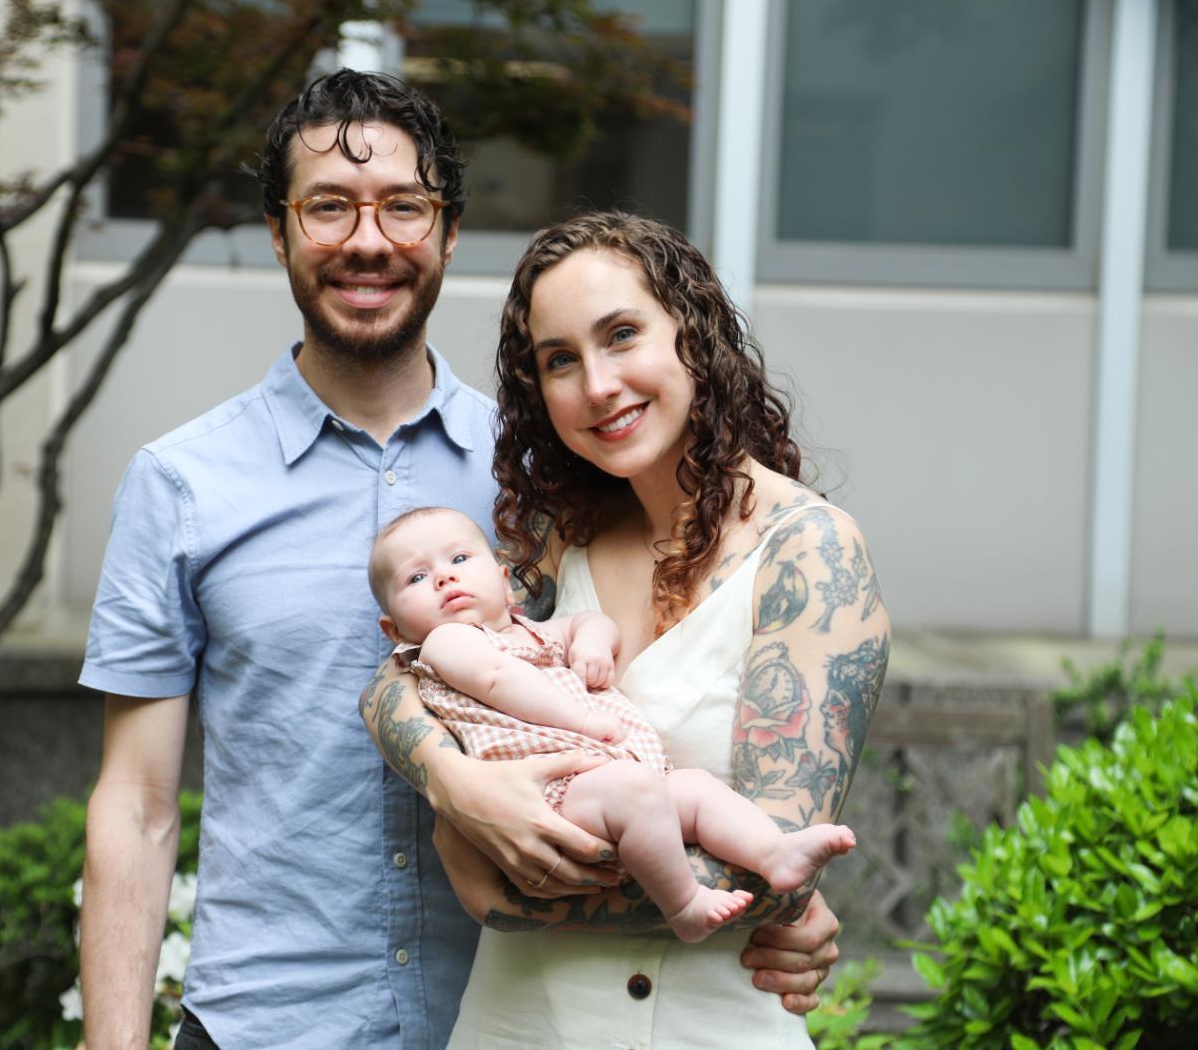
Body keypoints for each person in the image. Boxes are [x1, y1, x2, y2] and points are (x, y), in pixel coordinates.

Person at [78, 69, 840, 1050]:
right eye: (328, 208)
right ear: (279, 232)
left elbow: (673, 668)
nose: (368, 239)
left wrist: (768, 887)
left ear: (445, 232)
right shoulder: (179, 485)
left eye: (404, 206)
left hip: (506, 1018)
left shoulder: (556, 468)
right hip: (266, 1021)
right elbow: (135, 803)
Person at [361, 212, 889, 1048]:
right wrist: (449, 783)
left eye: (622, 335)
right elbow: (402, 673)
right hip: (515, 1026)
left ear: (694, 333)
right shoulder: (554, 536)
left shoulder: (807, 554)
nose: (598, 384)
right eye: (560, 359)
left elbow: (776, 869)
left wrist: (497, 880)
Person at [367, 506, 857, 944]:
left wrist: (592, 644)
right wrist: (580, 717)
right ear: (393, 628)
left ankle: (772, 853)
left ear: (504, 579)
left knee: (695, 789)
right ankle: (684, 904)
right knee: (638, 792)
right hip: (551, 793)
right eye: (415, 579)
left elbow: (587, 622)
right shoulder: (444, 644)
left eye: (458, 560)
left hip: (617, 781)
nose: (443, 580)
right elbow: (498, 679)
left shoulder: (532, 631)